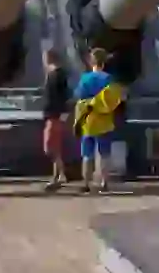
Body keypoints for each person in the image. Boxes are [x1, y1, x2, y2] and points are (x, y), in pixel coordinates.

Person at [74, 48, 126, 194]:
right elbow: (116, 99)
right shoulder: (108, 79)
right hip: (104, 121)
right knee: (104, 154)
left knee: (86, 154)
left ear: (91, 62)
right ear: (104, 63)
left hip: (88, 121)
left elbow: (78, 97)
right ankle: (104, 183)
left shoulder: (84, 78)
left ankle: (86, 183)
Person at [41, 49, 71, 192]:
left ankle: (62, 173)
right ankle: (57, 176)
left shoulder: (57, 75)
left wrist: (63, 112)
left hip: (54, 115)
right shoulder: (53, 74)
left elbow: (63, 95)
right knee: (55, 146)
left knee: (49, 146)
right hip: (52, 114)